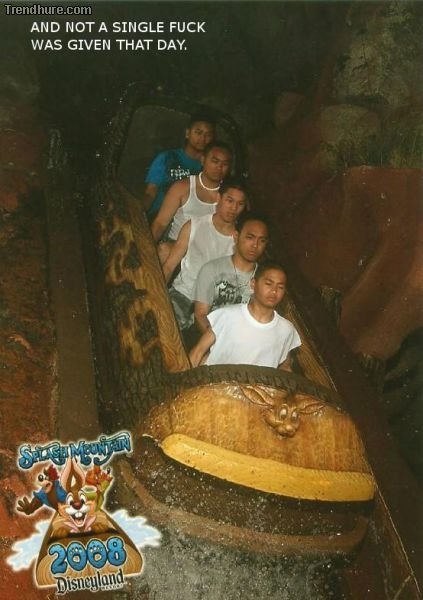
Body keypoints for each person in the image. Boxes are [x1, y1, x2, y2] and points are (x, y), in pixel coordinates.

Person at [163, 178, 248, 330]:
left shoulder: (240, 241)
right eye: (230, 201)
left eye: (240, 204)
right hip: (183, 295)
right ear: (218, 198)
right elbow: (169, 266)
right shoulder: (194, 225)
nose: (234, 208)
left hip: (213, 308)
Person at [189, 261, 301, 369]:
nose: (274, 291)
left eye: (280, 287)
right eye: (268, 284)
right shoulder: (228, 315)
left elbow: (284, 368)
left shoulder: (286, 330)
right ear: (253, 284)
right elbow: (198, 352)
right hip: (214, 380)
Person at [151, 141, 233, 263]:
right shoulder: (182, 187)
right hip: (177, 248)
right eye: (215, 161)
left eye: (224, 164)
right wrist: (146, 251)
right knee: (164, 251)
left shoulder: (231, 196)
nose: (219, 168)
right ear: (203, 160)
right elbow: (160, 223)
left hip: (209, 253)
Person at [193, 211, 270, 334]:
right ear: (236, 236)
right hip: (208, 337)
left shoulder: (266, 281)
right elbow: (200, 315)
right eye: (250, 237)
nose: (255, 245)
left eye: (261, 241)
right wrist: (219, 341)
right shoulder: (212, 269)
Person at [142, 114, 215, 221]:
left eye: (208, 135)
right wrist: (139, 214)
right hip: (157, 218)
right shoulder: (167, 158)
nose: (203, 138)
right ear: (187, 133)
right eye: (198, 132)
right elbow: (150, 193)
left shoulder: (212, 168)